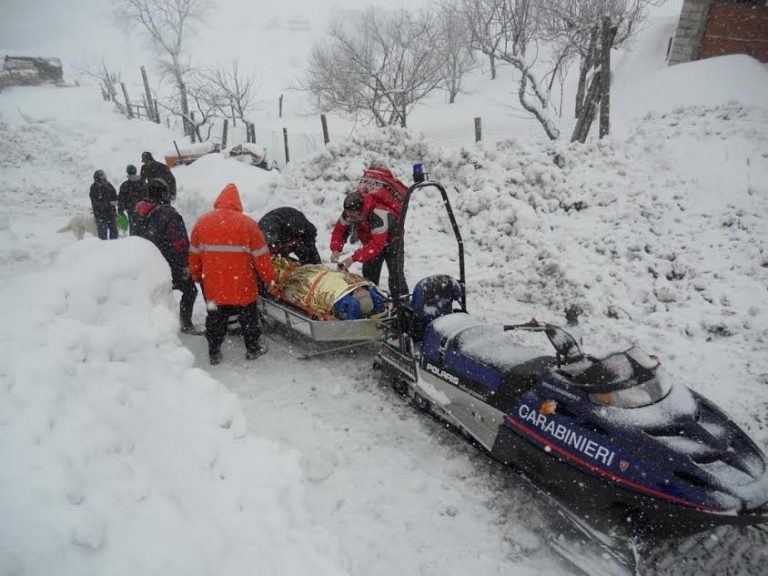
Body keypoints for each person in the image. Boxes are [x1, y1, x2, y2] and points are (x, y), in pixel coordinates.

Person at [189, 183, 276, 365]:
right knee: (248, 318)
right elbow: (262, 257)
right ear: (237, 203)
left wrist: (197, 275)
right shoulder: (248, 224)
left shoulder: (202, 223)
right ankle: (253, 348)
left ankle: (214, 351)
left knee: (214, 317)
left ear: (219, 201)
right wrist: (268, 278)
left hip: (213, 286)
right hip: (242, 285)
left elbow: (194, 255)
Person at [132, 178, 199, 334]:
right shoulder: (167, 213)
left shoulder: (138, 210)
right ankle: (186, 324)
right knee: (190, 291)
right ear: (164, 193)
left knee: (154, 295)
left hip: (147, 261)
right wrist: (185, 263)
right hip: (171, 261)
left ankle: (153, 325)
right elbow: (179, 241)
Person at [330, 188, 408, 299]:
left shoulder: (379, 215)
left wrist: (353, 258)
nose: (349, 216)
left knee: (396, 277)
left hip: (393, 242)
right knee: (369, 277)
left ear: (361, 209)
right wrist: (336, 248)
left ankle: (402, 304)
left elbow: (376, 245)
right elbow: (340, 230)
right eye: (348, 212)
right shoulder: (349, 211)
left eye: (352, 214)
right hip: (370, 243)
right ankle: (373, 302)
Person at [89, 169, 118, 240]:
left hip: (111, 213)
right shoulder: (93, 188)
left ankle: (114, 248)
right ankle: (103, 250)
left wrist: (117, 200)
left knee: (114, 233)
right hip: (100, 215)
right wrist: (109, 203)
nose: (105, 179)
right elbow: (96, 203)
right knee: (102, 235)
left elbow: (114, 194)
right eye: (103, 178)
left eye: (105, 177)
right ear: (98, 179)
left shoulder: (109, 185)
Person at [118, 164, 146, 232]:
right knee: (144, 226)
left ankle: (134, 240)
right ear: (136, 171)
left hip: (131, 209)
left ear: (127, 172)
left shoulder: (125, 185)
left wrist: (120, 209)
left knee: (133, 227)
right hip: (144, 209)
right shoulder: (143, 183)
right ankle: (145, 240)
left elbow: (121, 198)